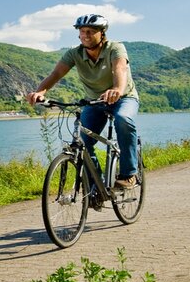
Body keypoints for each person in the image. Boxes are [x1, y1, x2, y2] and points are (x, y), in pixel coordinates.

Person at [27, 14, 140, 189]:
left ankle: (129, 173)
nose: (86, 35)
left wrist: (117, 89)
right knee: (82, 140)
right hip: (95, 102)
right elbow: (56, 74)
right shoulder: (74, 54)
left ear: (102, 33)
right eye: (82, 31)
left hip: (124, 98)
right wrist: (40, 92)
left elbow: (120, 68)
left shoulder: (115, 48)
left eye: (91, 31)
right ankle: (96, 185)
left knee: (123, 119)